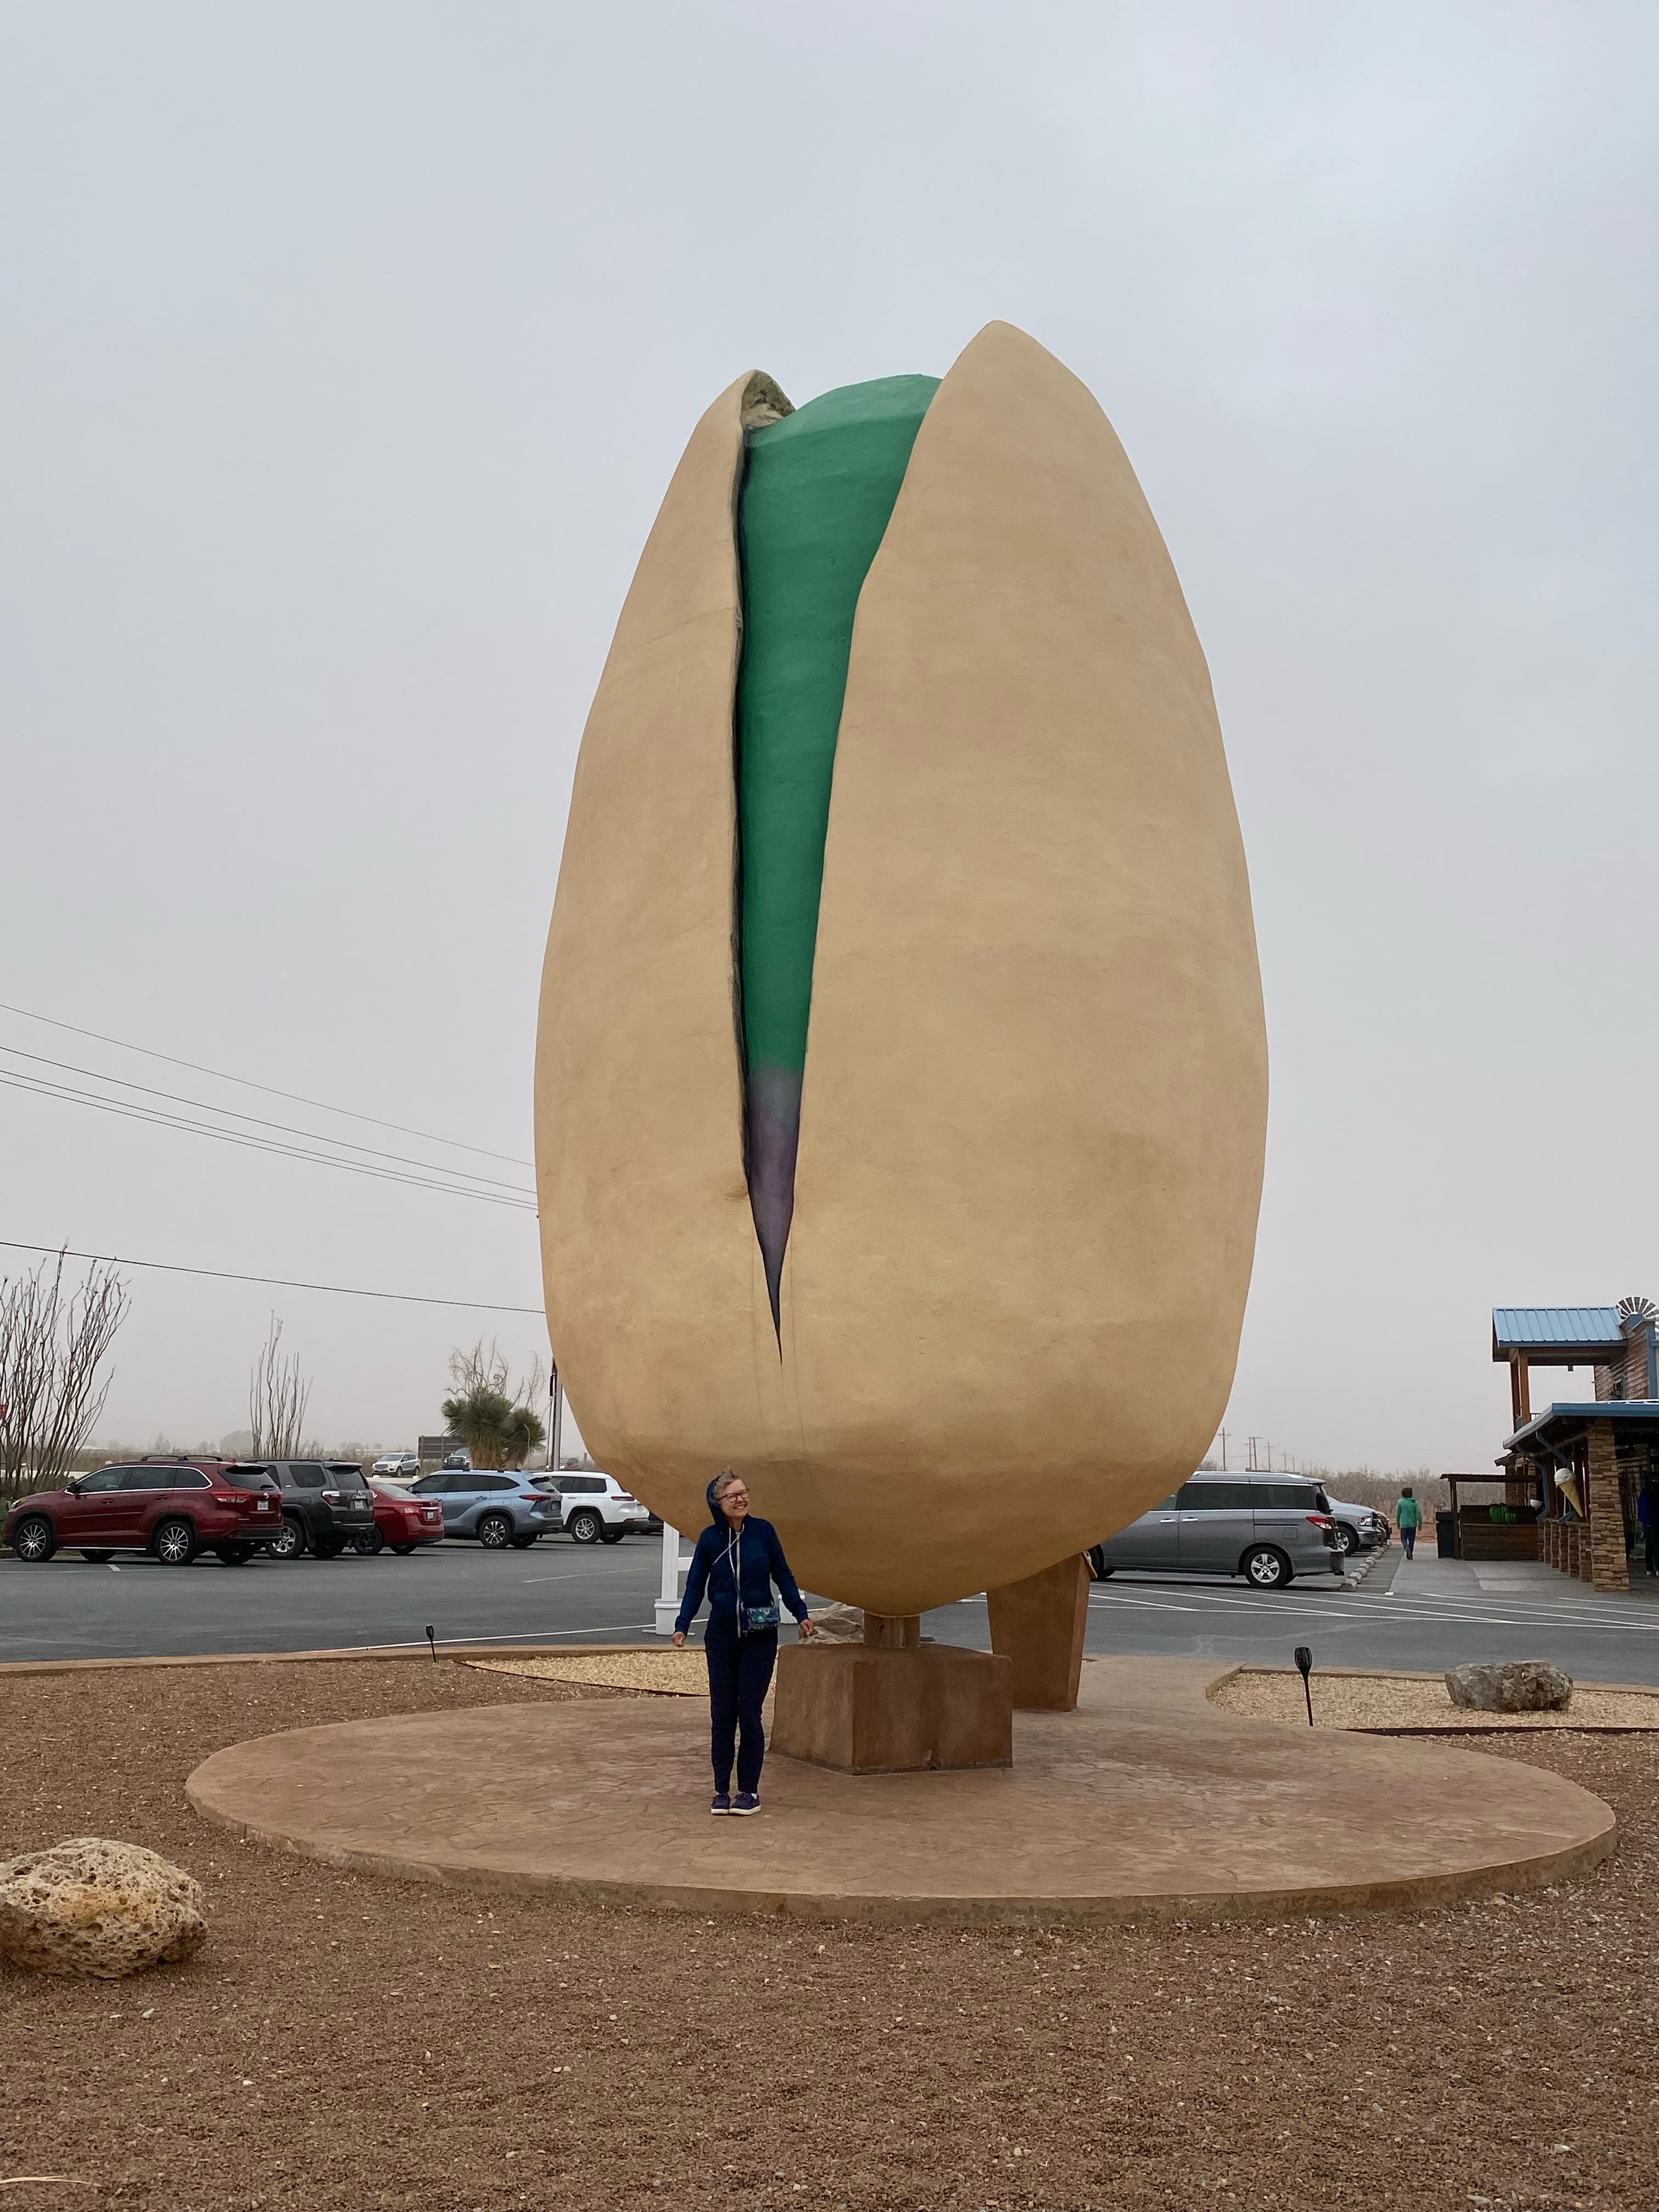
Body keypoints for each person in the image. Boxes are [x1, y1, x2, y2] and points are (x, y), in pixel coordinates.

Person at [672, 1468, 812, 1814]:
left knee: (749, 1714)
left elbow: (783, 1575)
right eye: (733, 1495)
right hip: (721, 1638)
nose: (741, 1499)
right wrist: (682, 1623)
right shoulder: (710, 1540)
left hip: (759, 1638)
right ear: (718, 1503)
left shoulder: (763, 1532)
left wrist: (800, 1612)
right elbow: (695, 1585)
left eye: (744, 1492)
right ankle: (721, 1790)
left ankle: (749, 1791)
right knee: (723, 1715)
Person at [1395, 1485, 1423, 1560]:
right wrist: (1420, 1524)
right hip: (1413, 1524)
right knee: (1412, 1540)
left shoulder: (1400, 1502)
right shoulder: (1415, 1502)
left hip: (1404, 1524)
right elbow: (1419, 1514)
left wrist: (1398, 1522)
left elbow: (1398, 1513)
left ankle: (1406, 1547)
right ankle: (1411, 1553)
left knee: (1403, 1539)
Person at [1638, 1483, 1659, 1578]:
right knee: (1657, 1548)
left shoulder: (1643, 1497)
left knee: (1649, 1547)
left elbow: (1640, 1512)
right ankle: (1658, 1569)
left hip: (1646, 1525)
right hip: (1655, 1525)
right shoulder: (1655, 1497)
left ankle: (1649, 1568)